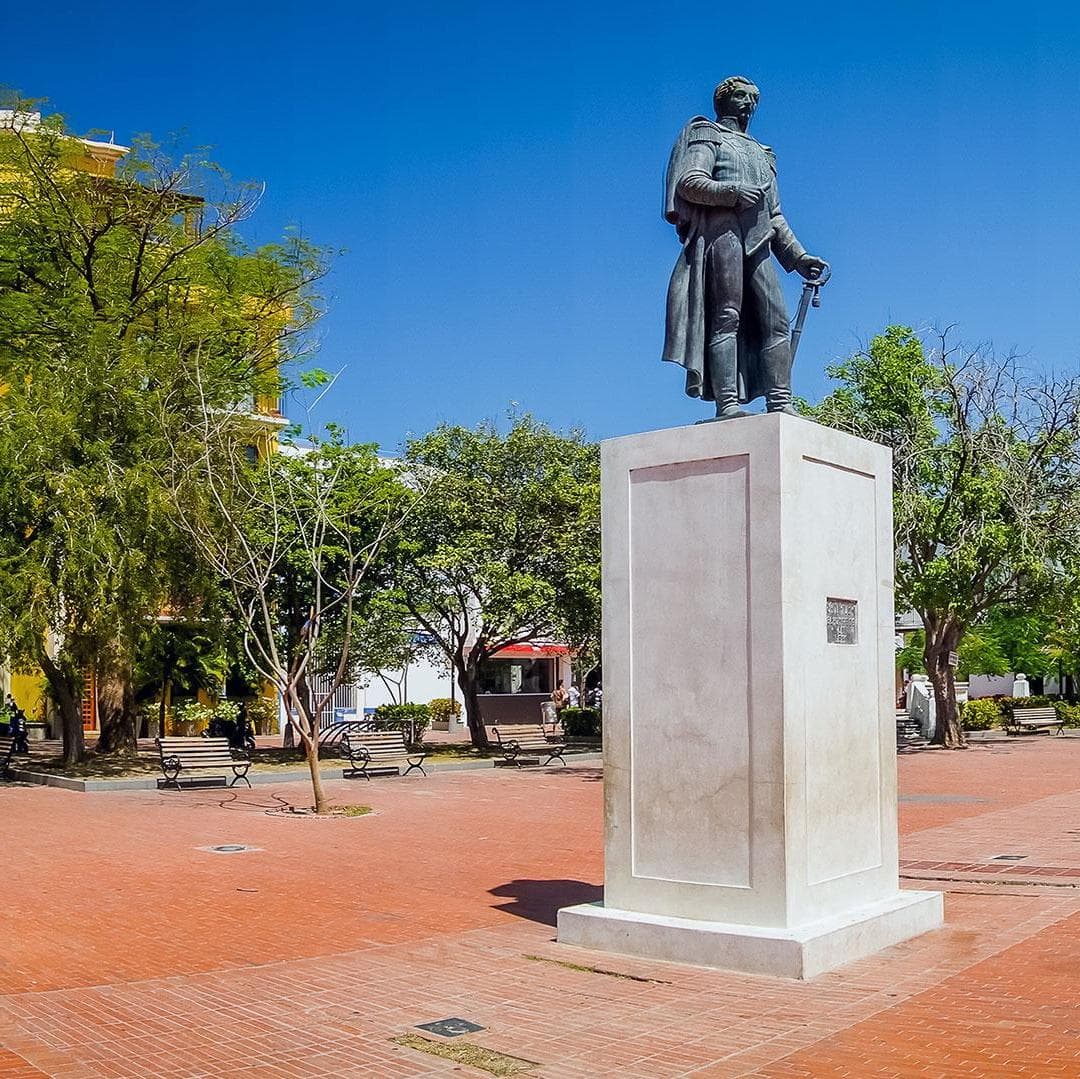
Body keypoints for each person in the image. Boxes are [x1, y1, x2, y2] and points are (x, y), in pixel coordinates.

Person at [662, 76, 828, 419]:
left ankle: (780, 403)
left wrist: (798, 258)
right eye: (741, 96)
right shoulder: (708, 135)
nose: (748, 103)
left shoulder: (762, 153)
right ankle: (728, 405)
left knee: (777, 320)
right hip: (723, 235)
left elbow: (775, 215)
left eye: (754, 98)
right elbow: (689, 181)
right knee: (727, 316)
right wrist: (732, 192)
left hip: (758, 242)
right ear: (723, 100)